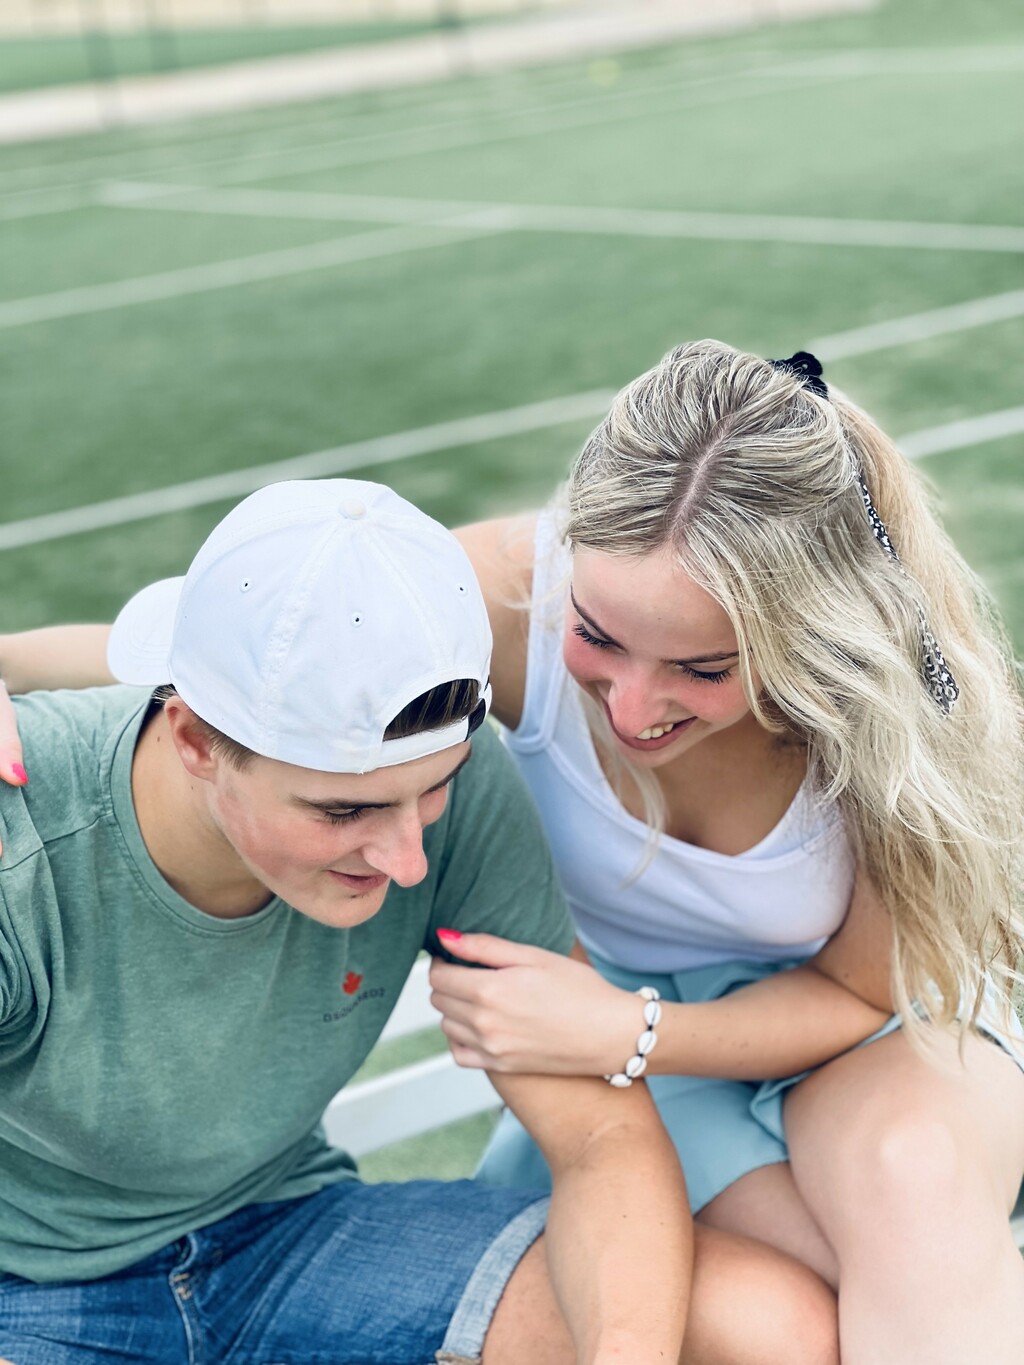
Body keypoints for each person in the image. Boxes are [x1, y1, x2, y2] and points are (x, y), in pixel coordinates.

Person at [0, 478, 696, 1365]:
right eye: (342, 811)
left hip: (285, 1227)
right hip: (28, 1288)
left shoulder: (451, 777)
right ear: (194, 741)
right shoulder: (21, 850)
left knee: (754, 1322)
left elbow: (600, 1132)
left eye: (434, 789)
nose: (408, 861)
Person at [430, 342, 1024, 1365]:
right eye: (597, 636)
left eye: (702, 668)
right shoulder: (487, 594)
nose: (632, 709)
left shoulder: (887, 692)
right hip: (640, 1066)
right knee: (805, 1317)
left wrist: (625, 1029)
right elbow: (228, 654)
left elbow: (861, 993)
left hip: (863, 1023)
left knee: (914, 1172)